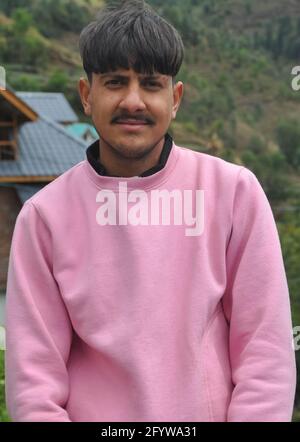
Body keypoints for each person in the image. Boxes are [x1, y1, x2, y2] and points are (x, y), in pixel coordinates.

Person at [5, 0, 296, 422]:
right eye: (115, 82)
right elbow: (34, 383)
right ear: (87, 95)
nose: (134, 101)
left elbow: (265, 353)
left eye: (152, 84)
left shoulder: (232, 193)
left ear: (175, 98)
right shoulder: (44, 218)